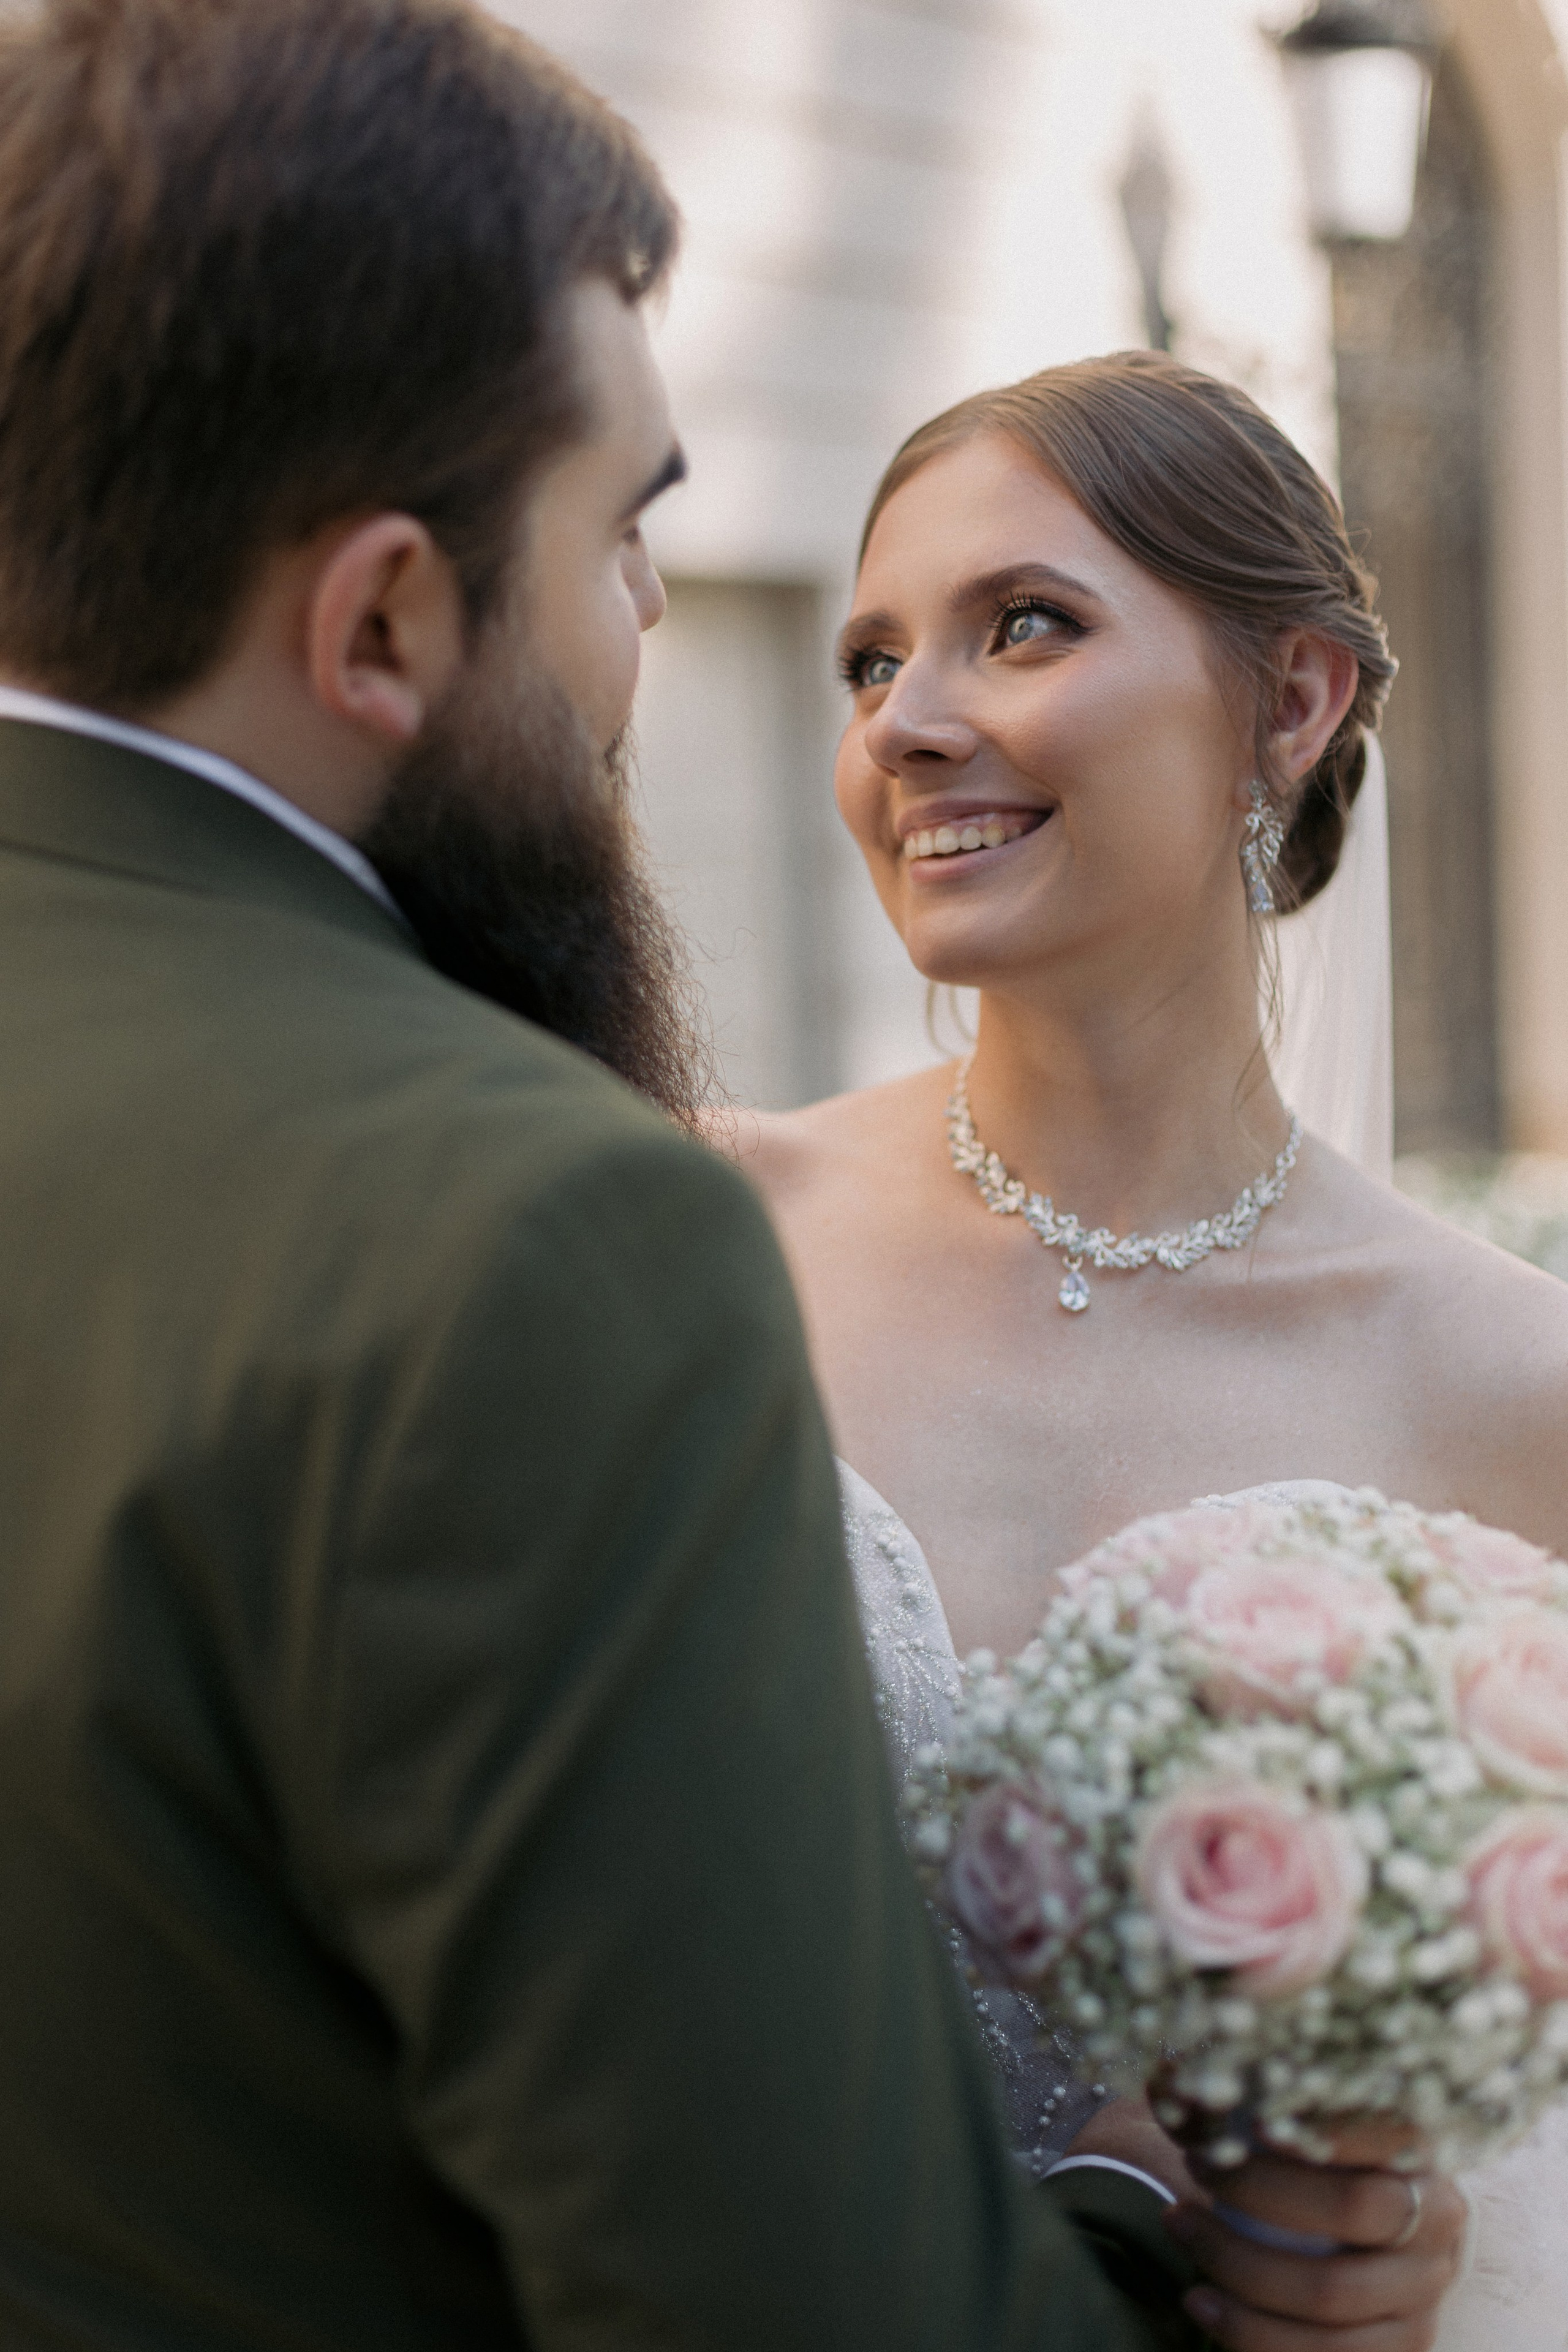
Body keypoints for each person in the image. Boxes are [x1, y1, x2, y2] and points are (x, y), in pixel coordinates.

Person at [0, 7, 1216, 2345]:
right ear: (383, 622)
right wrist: (1135, 2225)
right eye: (629, 532)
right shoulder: (534, 1233)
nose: (654, 623)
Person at [736, 353, 1567, 2348]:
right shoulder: (698, 1238)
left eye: (1023, 625)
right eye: (866, 663)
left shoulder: (1517, 1383)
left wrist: (1386, 2246)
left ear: (1290, 702)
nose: (909, 726)